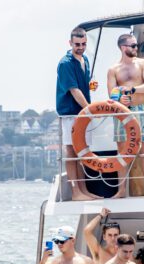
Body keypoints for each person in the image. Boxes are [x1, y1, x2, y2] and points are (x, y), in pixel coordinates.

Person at [107, 33, 144, 198]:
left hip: (140, 109)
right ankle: (121, 190)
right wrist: (121, 98)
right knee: (122, 151)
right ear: (123, 47)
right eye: (133, 46)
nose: (136, 48)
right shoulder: (113, 69)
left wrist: (133, 90)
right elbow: (111, 94)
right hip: (121, 113)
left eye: (137, 46)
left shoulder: (143, 63)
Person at [56, 27, 100, 201]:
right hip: (70, 113)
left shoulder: (85, 60)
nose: (80, 47)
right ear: (70, 43)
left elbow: (81, 85)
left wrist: (90, 86)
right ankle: (75, 192)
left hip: (82, 112)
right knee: (71, 149)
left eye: (83, 44)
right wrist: (90, 109)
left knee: (82, 151)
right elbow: (74, 90)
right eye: (77, 44)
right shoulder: (65, 63)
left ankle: (83, 190)